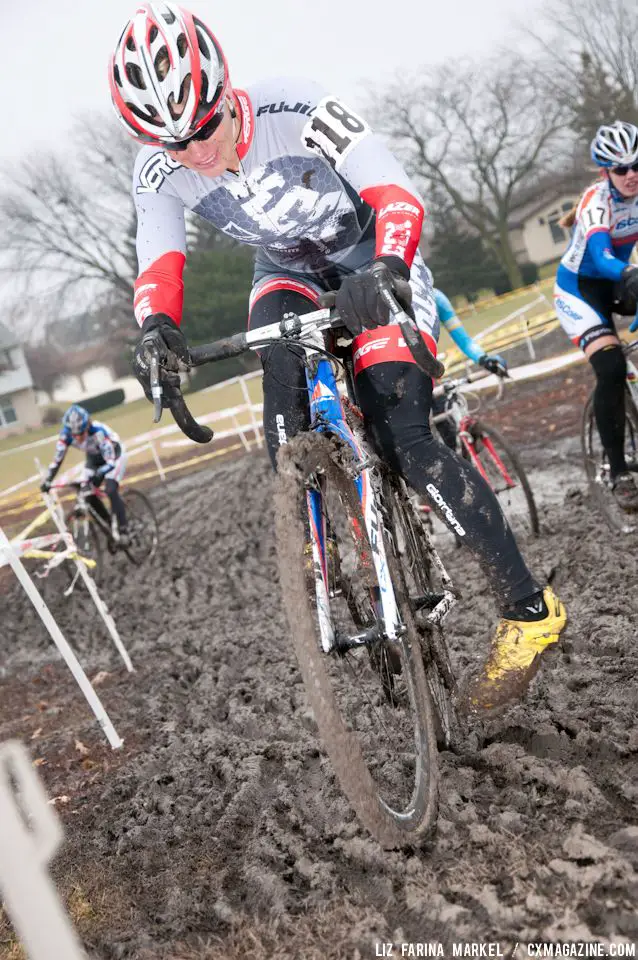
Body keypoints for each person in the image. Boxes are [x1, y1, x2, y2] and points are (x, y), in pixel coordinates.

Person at [110, 0, 565, 713]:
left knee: (405, 436)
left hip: (372, 255)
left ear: (227, 91)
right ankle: (334, 557)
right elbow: (158, 259)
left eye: (203, 128)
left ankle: (530, 611)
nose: (197, 154)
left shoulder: (298, 106)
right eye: (174, 146)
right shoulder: (158, 171)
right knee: (281, 412)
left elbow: (396, 192)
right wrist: (155, 328)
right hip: (286, 272)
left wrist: (386, 266)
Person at [554, 120, 638, 512]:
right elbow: (603, 257)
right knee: (611, 369)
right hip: (580, 290)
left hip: (618, 282)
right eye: (622, 169)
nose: (632, 175)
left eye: (637, 165)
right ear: (606, 172)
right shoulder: (596, 200)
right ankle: (619, 470)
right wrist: (629, 273)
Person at [40, 404, 129, 545]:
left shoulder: (98, 432)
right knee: (86, 492)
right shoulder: (66, 436)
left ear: (87, 425)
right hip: (93, 459)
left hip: (115, 456)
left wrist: (101, 473)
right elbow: (57, 460)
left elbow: (110, 461)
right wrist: (48, 480)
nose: (78, 438)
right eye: (74, 434)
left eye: (81, 433)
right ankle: (110, 525)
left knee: (111, 489)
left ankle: (124, 530)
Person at [432, 288, 507, 449]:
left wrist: (484, 359)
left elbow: (464, 341)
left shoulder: (437, 298)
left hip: (430, 370)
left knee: (453, 436)